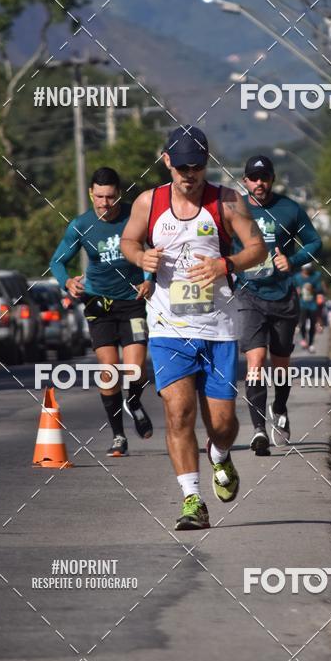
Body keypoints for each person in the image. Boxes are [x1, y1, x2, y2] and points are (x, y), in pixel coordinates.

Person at [121, 126, 267, 530]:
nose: (189, 174)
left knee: (223, 424)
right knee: (178, 412)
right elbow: (128, 241)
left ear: (206, 164)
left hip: (218, 327)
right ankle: (192, 500)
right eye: (182, 166)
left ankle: (220, 455)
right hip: (169, 328)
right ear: (166, 160)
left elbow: (258, 247)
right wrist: (141, 257)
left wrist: (227, 264)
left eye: (197, 166)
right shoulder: (149, 202)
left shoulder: (227, 201)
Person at [50, 167, 153, 457]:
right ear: (90, 194)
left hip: (132, 301)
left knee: (135, 370)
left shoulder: (135, 215)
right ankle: (119, 436)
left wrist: (149, 280)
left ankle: (133, 401)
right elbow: (57, 262)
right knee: (108, 373)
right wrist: (67, 281)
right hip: (99, 305)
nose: (104, 203)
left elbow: (156, 250)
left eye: (110, 197)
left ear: (119, 194)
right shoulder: (81, 225)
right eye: (99, 197)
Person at [233, 155, 322, 454]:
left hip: (283, 296)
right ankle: (258, 430)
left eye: (265, 177)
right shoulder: (234, 208)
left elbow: (314, 242)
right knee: (255, 361)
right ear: (245, 181)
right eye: (254, 178)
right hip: (249, 295)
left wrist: (293, 260)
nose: (260, 183)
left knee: (280, 363)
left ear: (272, 179)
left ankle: (280, 407)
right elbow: (219, 244)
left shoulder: (289, 209)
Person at [295, 262, 325, 354]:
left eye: (308, 269)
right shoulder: (297, 277)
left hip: (313, 304)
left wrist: (314, 290)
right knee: (302, 323)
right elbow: (293, 288)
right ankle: (304, 339)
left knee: (312, 324)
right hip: (302, 304)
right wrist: (297, 291)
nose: (306, 271)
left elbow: (320, 289)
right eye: (305, 269)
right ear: (302, 269)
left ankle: (311, 343)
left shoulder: (316, 276)